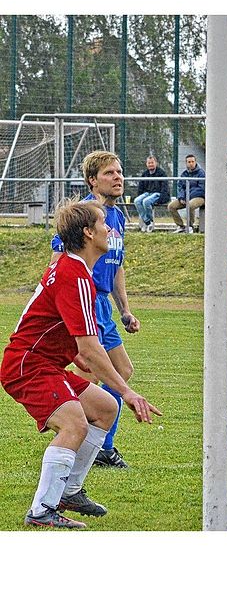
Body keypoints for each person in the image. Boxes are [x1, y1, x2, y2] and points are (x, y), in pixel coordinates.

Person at [2, 198, 161, 528]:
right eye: (103, 224)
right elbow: (90, 348)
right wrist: (129, 392)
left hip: (42, 361)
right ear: (88, 233)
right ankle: (42, 511)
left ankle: (69, 491)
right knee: (75, 422)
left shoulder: (77, 271)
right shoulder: (74, 275)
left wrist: (75, 356)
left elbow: (54, 325)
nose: (109, 229)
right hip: (29, 365)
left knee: (104, 408)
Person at [52, 150, 141, 469]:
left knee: (121, 371)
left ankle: (95, 441)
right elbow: (57, 258)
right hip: (84, 299)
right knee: (88, 374)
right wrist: (60, 304)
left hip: (102, 303)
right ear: (92, 180)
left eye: (119, 172)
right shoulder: (85, 215)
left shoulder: (116, 217)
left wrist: (125, 310)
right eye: (109, 173)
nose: (118, 177)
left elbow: (117, 267)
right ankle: (78, 436)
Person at [168, 154, 205, 234]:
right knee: (171, 206)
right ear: (186, 163)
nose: (191, 163)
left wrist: (188, 196)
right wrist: (181, 197)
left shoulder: (201, 173)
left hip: (199, 197)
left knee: (190, 205)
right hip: (186, 197)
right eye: (189, 162)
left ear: (195, 162)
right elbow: (180, 187)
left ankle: (190, 226)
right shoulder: (184, 174)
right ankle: (180, 226)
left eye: (192, 161)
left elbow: (202, 189)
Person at [133, 155, 170, 233]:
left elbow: (165, 188)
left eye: (152, 163)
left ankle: (150, 222)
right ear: (146, 164)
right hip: (147, 193)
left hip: (157, 193)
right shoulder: (145, 174)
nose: (150, 164)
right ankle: (147, 222)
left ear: (156, 163)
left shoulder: (161, 173)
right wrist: (140, 195)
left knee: (146, 202)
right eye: (149, 163)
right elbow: (141, 187)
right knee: (137, 201)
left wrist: (161, 199)